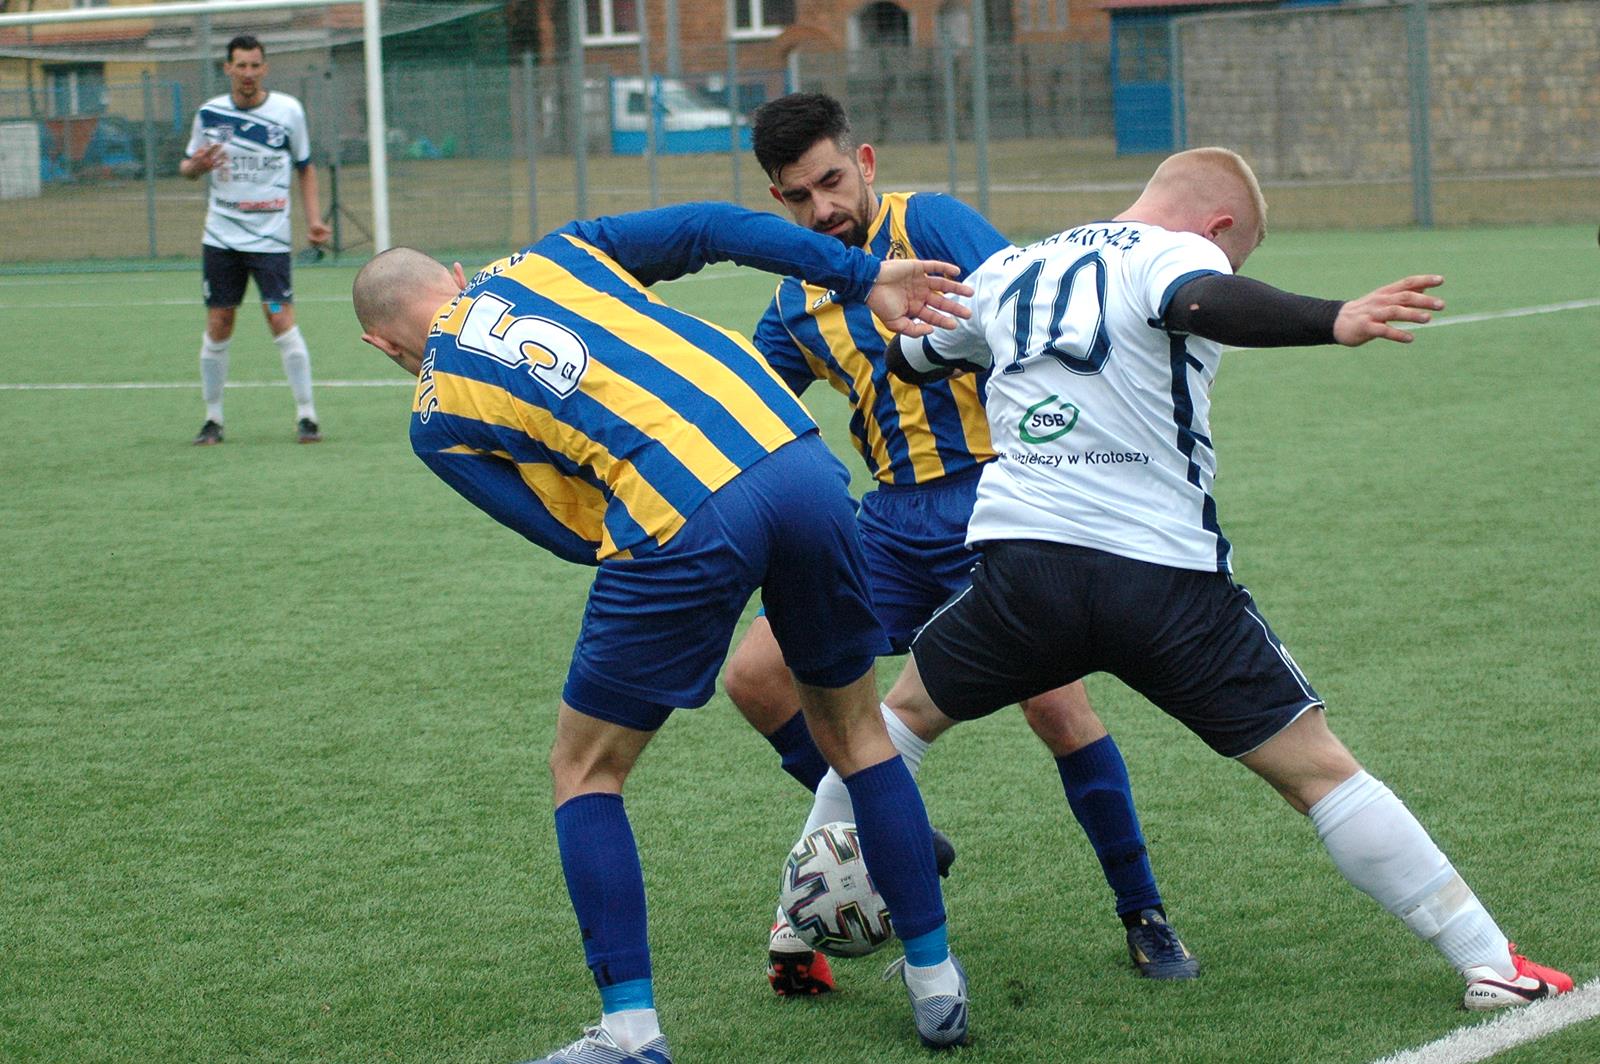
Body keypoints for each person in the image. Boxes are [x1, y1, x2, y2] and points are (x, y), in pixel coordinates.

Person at [885, 146, 1573, 1011]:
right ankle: (1489, 962)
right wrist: (1335, 317)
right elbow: (1201, 299)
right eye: (1234, 251)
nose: (1226, 265)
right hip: (1161, 582)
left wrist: (928, 332)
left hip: (1028, 573)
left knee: (890, 725)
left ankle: (802, 916)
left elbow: (912, 361)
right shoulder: (1175, 252)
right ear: (1215, 227)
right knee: (1319, 773)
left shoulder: (1013, 266)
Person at [352, 203, 979, 1062]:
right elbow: (712, 227)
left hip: (677, 511)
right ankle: (937, 985)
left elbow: (568, 535)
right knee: (860, 735)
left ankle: (630, 1034)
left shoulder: (434, 419)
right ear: (457, 276)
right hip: (797, 460)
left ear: (386, 349)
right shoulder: (557, 254)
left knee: (585, 769)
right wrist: (863, 275)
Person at [722, 92, 1196, 995]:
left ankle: (1144, 913)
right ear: (777, 201)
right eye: (796, 197)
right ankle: (895, 833)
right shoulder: (792, 303)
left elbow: (1034, 309)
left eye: (830, 181)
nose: (821, 208)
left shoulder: (931, 223)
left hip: (1001, 506)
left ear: (863, 160)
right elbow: (750, 410)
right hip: (890, 526)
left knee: (1056, 708)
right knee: (755, 675)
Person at [181, 33, 329, 446]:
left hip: (270, 241)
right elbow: (188, 168)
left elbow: (306, 167)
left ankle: (307, 416)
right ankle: (213, 419)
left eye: (254, 65)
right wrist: (196, 165)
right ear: (228, 68)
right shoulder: (209, 114)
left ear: (264, 67)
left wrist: (314, 220)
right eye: (240, 66)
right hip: (221, 239)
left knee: (280, 318)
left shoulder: (287, 112)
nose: (247, 73)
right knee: (219, 323)